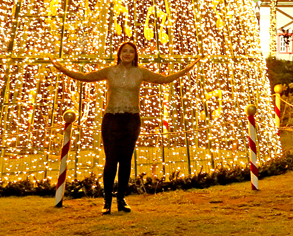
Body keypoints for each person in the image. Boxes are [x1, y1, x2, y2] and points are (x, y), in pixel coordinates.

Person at [51, 42, 198, 214]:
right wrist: (63, 70)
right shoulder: (110, 71)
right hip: (112, 119)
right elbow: (85, 76)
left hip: (131, 119)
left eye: (131, 52)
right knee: (111, 160)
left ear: (135, 55)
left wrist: (187, 69)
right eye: (124, 51)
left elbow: (164, 80)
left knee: (126, 161)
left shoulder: (140, 72)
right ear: (119, 54)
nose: (128, 54)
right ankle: (107, 201)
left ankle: (121, 199)